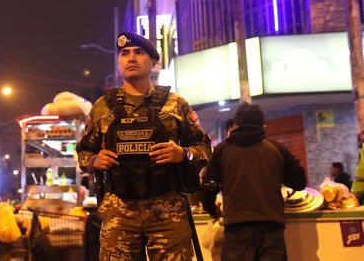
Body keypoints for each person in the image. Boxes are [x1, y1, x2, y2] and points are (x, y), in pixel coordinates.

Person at [76, 32, 212, 261]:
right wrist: (95, 160)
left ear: (153, 62)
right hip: (119, 213)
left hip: (168, 212)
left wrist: (183, 154)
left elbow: (204, 149)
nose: (131, 58)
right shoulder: (102, 107)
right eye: (124, 54)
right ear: (119, 62)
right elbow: (83, 152)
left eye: (139, 52)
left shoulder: (176, 104)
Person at [203, 103, 307, 261]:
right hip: (272, 228)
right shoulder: (277, 149)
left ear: (235, 125)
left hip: (236, 230)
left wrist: (212, 209)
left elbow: (207, 187)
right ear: (262, 125)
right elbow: (299, 183)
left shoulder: (222, 150)